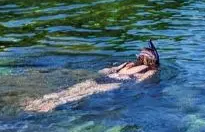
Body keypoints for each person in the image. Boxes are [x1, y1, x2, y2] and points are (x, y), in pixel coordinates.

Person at [24, 41, 160, 112]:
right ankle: (50, 105)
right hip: (114, 83)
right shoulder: (150, 69)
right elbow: (140, 81)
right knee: (79, 95)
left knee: (72, 90)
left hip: (105, 78)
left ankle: (42, 99)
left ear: (140, 56)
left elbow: (105, 70)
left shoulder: (127, 64)